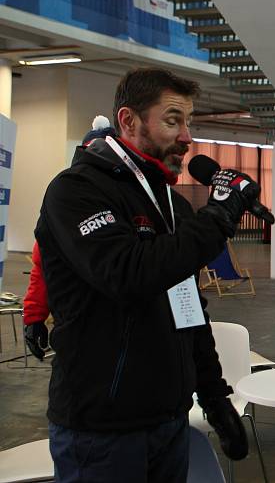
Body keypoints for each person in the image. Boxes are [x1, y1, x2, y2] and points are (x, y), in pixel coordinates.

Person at [36, 68, 258, 482]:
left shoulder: (171, 205)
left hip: (168, 420)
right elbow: (127, 273)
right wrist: (217, 218)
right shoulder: (76, 191)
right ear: (128, 121)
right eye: (173, 120)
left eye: (188, 121)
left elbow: (188, 307)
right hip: (101, 430)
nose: (187, 136)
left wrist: (213, 394)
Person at [23, 117, 118, 360]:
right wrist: (34, 316)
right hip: (77, 329)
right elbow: (43, 262)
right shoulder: (64, 195)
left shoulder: (132, 196)